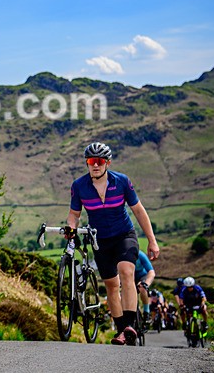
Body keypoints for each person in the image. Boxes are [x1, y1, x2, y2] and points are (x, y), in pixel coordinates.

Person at [66, 142, 160, 346]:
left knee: (126, 271)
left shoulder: (122, 181)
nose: (95, 165)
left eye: (99, 161)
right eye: (91, 161)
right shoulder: (79, 186)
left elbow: (138, 210)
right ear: (87, 163)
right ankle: (121, 331)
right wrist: (71, 230)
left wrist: (152, 241)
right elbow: (74, 215)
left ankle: (130, 326)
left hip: (124, 235)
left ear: (107, 163)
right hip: (99, 239)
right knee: (110, 285)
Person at [134, 250, 156, 322]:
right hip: (130, 277)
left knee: (142, 288)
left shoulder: (140, 255)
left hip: (142, 276)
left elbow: (151, 272)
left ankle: (146, 312)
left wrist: (146, 284)